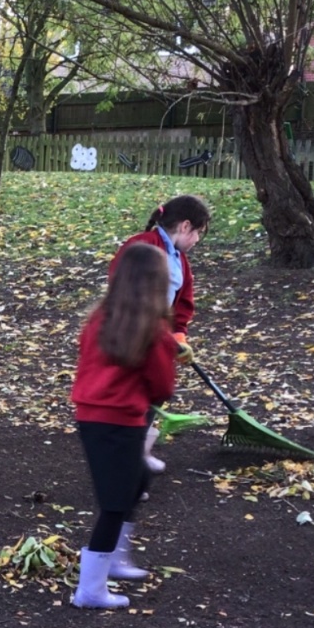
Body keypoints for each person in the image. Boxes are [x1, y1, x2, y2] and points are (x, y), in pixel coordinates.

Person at [70, 242, 177, 609]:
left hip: (91, 417)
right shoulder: (154, 331)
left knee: (138, 479)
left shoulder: (99, 318)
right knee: (114, 504)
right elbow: (162, 387)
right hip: (120, 421)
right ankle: (90, 590)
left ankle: (114, 558)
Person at [110, 193, 210, 471]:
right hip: (131, 334)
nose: (197, 240)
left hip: (157, 337)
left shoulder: (180, 260)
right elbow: (122, 287)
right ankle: (125, 456)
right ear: (185, 226)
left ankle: (138, 450)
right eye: (198, 232)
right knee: (135, 392)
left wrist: (178, 335)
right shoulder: (142, 246)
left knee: (157, 390)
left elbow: (183, 302)